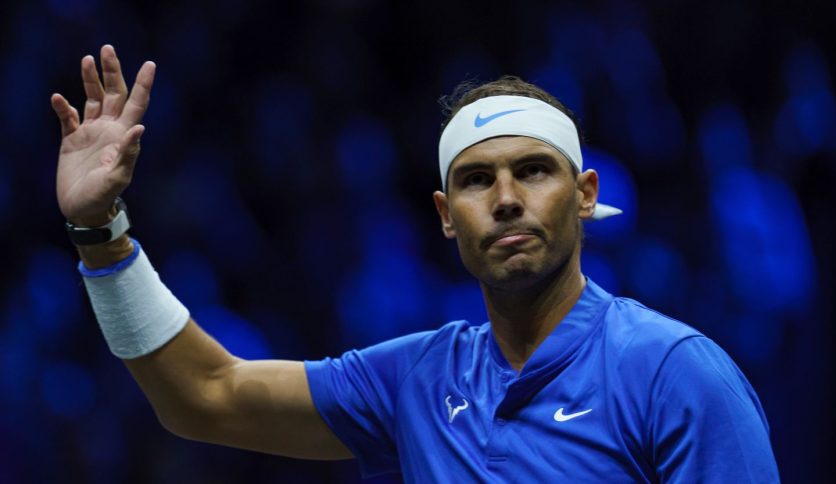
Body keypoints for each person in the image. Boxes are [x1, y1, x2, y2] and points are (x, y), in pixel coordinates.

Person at [52, 45, 780, 482]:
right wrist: (98, 229)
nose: (504, 199)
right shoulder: (417, 379)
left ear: (585, 196)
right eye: (475, 179)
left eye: (534, 171)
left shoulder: (675, 373)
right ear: (443, 215)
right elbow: (206, 394)